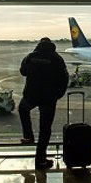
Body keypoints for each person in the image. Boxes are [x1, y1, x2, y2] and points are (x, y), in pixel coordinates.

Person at [19, 37, 69, 170]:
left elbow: (23, 71)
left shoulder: (31, 56)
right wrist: (57, 95)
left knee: (22, 109)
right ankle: (40, 160)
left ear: (39, 45)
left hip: (31, 96)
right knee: (45, 130)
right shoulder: (57, 58)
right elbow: (64, 78)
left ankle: (28, 136)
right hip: (48, 99)